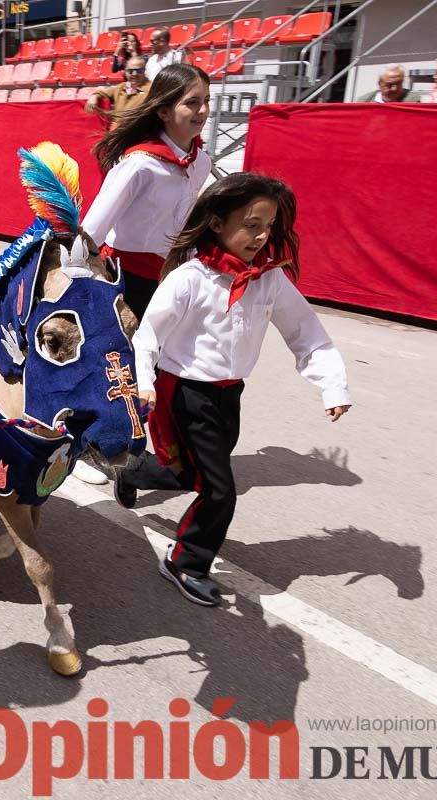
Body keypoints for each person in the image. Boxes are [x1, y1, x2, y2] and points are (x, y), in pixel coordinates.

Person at [115, 173, 351, 607]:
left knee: (189, 474)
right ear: (218, 223)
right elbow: (147, 335)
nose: (261, 236)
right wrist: (143, 382)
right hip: (182, 392)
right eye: (251, 224)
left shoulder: (268, 281)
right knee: (219, 488)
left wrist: (332, 385)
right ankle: (187, 562)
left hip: (228, 395)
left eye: (268, 226)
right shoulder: (190, 278)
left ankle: (132, 471)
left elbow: (305, 332)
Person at [77, 65, 213, 486]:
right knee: (119, 367)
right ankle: (91, 446)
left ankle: (136, 445)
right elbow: (93, 229)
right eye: (192, 102)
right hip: (126, 279)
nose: (202, 111)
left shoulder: (201, 160)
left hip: (171, 279)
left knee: (160, 368)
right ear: (164, 109)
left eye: (207, 101)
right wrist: (74, 279)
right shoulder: (139, 164)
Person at [85, 57, 150, 125]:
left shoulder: (152, 89)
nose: (134, 74)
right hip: (118, 131)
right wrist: (94, 97)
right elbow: (102, 92)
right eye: (130, 71)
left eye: (138, 70)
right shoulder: (121, 87)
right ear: (126, 72)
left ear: (144, 71)